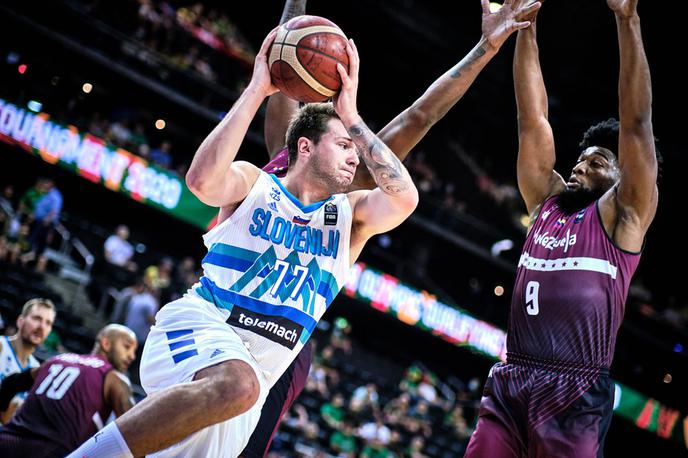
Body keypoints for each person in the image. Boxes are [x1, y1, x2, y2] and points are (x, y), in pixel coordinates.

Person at [69, 24, 419, 458]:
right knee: (238, 383)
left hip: (246, 390)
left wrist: (352, 117)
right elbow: (201, 181)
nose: (354, 156)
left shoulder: (349, 218)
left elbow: (405, 198)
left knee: (237, 390)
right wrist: (257, 88)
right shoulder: (257, 184)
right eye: (345, 144)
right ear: (305, 147)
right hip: (198, 330)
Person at [242, 0, 540, 456]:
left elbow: (421, 115)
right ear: (306, 143)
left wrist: (485, 47)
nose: (348, 146)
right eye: (339, 137)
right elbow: (282, 65)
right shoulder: (282, 155)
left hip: (277, 349)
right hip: (222, 318)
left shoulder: (350, 193)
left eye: (350, 140)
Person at [464, 1, 659, 456]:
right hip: (512, 382)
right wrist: (524, 25)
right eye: (580, 158)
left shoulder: (624, 216)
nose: (579, 166)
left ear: (620, 176)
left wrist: (626, 19)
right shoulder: (547, 202)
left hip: (575, 392)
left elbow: (637, 125)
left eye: (597, 162)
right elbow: (531, 120)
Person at [0, 324, 137, 457]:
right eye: (127, 347)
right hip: (50, 452)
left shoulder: (56, 360)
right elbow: (134, 432)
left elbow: (10, 383)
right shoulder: (114, 379)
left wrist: (3, 411)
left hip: (6, 440)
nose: (132, 356)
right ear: (106, 343)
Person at [0, 297, 56, 424]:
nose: (42, 326)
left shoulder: (36, 368)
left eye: (48, 323)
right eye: (37, 318)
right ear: (20, 321)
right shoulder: (1, 346)